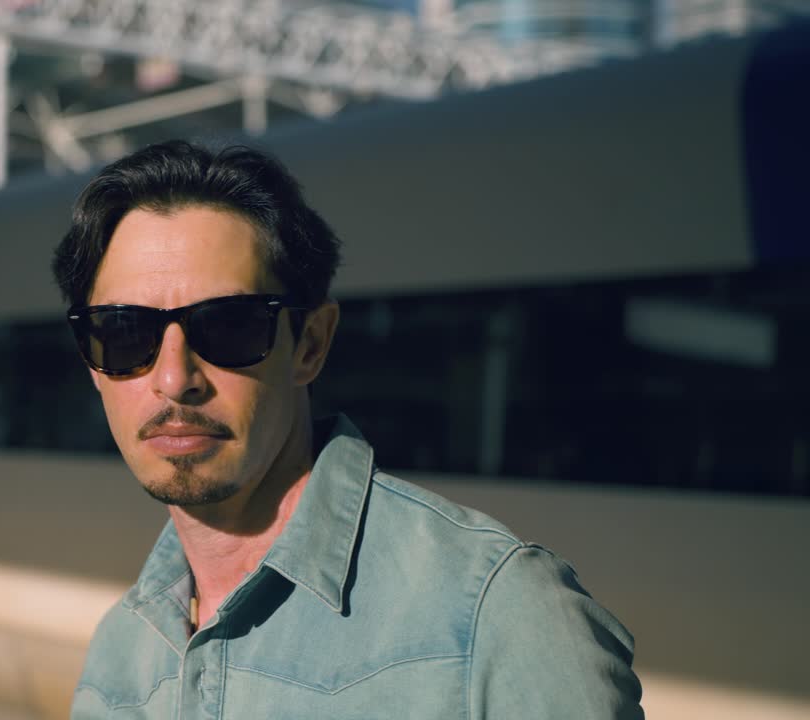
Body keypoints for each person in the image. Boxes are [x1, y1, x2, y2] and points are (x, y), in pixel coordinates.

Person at [53, 140, 643, 719]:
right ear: (92, 365)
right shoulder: (116, 660)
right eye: (125, 332)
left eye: (228, 326)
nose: (175, 378)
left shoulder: (498, 616)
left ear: (311, 345)